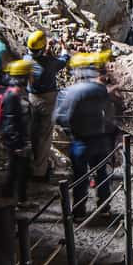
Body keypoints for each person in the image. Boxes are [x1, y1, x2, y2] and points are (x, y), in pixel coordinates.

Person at [53, 52, 116, 218]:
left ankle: (80, 210)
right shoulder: (100, 90)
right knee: (102, 173)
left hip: (80, 141)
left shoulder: (70, 92)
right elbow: (109, 114)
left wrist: (72, 129)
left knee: (80, 177)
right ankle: (104, 206)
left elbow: (61, 117)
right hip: (100, 139)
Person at [23, 30, 69, 181]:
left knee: (34, 132)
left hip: (32, 98)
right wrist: (63, 46)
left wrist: (46, 50)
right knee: (44, 136)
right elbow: (64, 59)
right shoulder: (49, 64)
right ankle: (39, 172)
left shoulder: (26, 59)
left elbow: (40, 58)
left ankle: (35, 165)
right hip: (47, 100)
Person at [0, 59, 34, 203]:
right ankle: (16, 201)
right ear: (23, 77)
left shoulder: (15, 93)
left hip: (16, 140)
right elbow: (10, 121)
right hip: (15, 142)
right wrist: (18, 144)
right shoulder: (13, 95)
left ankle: (15, 199)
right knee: (17, 171)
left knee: (17, 171)